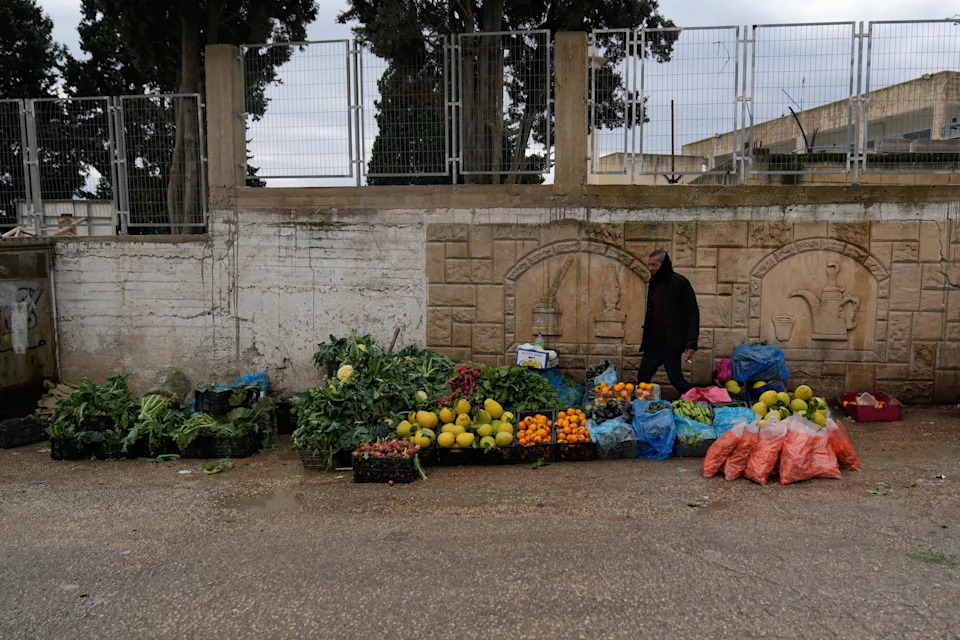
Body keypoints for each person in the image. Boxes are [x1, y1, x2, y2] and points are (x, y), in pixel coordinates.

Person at [637, 249, 700, 395]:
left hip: (670, 342)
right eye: (649, 265)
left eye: (654, 265)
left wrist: (691, 344)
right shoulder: (653, 283)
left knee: (676, 380)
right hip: (653, 342)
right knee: (643, 377)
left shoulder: (679, 282)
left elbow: (693, 313)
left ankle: (701, 398)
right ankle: (643, 409)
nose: (650, 268)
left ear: (664, 264)